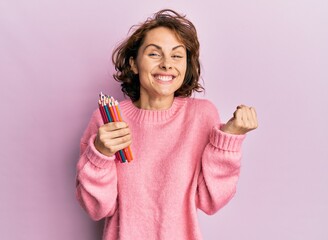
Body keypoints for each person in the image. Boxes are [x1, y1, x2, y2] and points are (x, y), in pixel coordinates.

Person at [75, 9, 258, 240]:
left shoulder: (202, 115)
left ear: (186, 65)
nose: (166, 64)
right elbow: (97, 208)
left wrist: (228, 139)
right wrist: (100, 153)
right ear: (133, 63)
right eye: (154, 54)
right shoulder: (107, 120)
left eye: (177, 56)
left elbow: (210, 200)